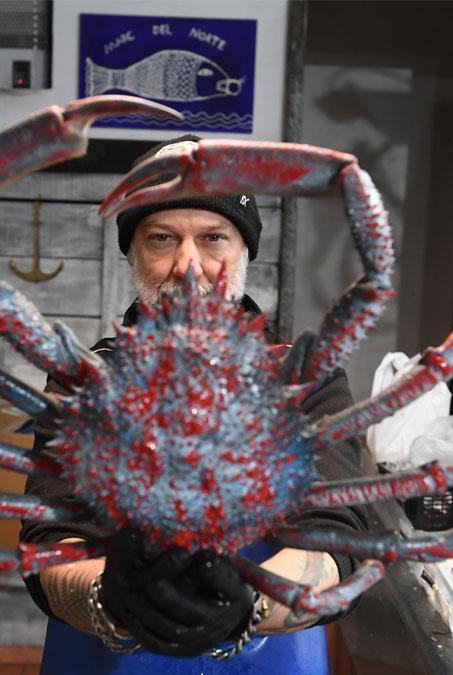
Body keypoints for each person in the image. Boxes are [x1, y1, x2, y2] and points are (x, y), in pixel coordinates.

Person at [19, 136, 368, 673]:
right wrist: (113, 602)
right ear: (132, 253)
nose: (189, 266)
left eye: (213, 238)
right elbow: (50, 542)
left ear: (243, 252)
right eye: (162, 238)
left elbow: (335, 542)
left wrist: (248, 606)